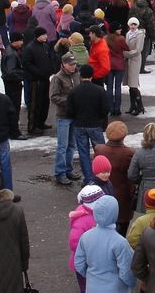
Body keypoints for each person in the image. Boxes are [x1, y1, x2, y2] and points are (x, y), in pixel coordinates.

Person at [69, 184, 105, 293]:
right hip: (85, 265)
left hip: (87, 264)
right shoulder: (84, 220)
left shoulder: (86, 216)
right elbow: (74, 242)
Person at [68, 64, 111, 182]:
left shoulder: (74, 91)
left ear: (81, 76)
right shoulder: (99, 90)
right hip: (95, 124)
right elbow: (105, 108)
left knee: (83, 153)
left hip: (79, 124)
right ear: (92, 76)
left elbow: (69, 111)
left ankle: (89, 178)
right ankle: (101, 176)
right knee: (100, 151)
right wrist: (100, 118)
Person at [94, 121, 136, 236]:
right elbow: (133, 175)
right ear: (124, 135)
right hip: (123, 197)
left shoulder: (99, 150)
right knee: (121, 231)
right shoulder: (129, 153)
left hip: (102, 194)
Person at [49, 53, 82, 185]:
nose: (73, 67)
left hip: (75, 115)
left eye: (74, 64)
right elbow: (53, 97)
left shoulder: (76, 75)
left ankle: (68, 169)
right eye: (70, 64)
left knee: (72, 145)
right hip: (63, 116)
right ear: (63, 64)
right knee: (62, 146)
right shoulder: (57, 78)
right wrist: (70, 101)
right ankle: (60, 172)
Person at [22, 27, 54, 135]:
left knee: (45, 102)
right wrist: (38, 72)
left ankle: (41, 122)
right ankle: (32, 126)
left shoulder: (45, 46)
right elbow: (27, 64)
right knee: (35, 103)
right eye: (43, 35)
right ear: (38, 35)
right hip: (35, 80)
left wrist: (50, 69)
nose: (46, 36)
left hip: (45, 79)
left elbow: (50, 59)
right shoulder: (30, 48)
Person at [124, 17, 147, 116]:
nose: (133, 26)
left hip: (135, 60)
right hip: (128, 59)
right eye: (131, 24)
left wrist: (125, 54)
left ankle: (140, 106)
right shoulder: (128, 34)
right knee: (130, 84)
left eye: (135, 24)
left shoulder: (140, 34)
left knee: (133, 84)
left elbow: (138, 49)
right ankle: (132, 105)